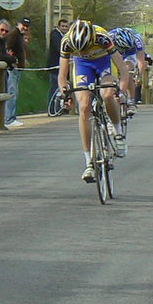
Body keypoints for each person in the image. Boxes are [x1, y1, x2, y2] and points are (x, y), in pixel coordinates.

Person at [57, 19, 129, 183]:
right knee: (83, 107)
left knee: (108, 94)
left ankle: (118, 133)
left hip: (102, 62)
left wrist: (122, 91)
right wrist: (65, 94)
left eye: (85, 48)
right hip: (82, 67)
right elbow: (62, 75)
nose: (82, 52)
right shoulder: (67, 42)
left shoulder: (102, 37)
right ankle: (88, 161)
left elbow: (123, 69)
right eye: (79, 50)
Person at [108, 27, 146, 114]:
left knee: (128, 70)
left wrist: (139, 76)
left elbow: (141, 60)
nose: (123, 51)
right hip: (113, 51)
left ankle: (131, 101)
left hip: (131, 53)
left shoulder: (137, 40)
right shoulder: (109, 37)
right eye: (122, 49)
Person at [4, 17, 30, 127]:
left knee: (14, 92)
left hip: (18, 68)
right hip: (12, 68)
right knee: (12, 92)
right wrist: (13, 61)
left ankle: (11, 117)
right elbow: (8, 49)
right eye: (23, 25)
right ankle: (9, 118)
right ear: (18, 24)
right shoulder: (14, 33)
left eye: (27, 26)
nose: (25, 28)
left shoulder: (20, 35)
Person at [47, 19, 69, 106]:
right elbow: (59, 48)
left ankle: (60, 107)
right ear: (59, 26)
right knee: (54, 88)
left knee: (61, 88)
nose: (64, 28)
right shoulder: (55, 34)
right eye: (63, 26)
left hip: (62, 67)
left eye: (66, 26)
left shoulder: (64, 36)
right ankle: (52, 108)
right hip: (55, 66)